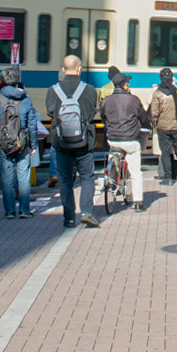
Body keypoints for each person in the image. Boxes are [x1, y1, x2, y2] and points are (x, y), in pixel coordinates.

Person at [46, 55, 100, 228]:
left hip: (62, 143)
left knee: (66, 180)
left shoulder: (53, 90)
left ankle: (69, 217)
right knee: (87, 178)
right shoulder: (90, 89)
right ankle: (87, 212)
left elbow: (51, 114)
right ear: (79, 69)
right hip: (84, 142)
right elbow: (92, 114)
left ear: (63, 69)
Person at [0, 67, 40, 218]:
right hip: (23, 143)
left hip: (4, 144)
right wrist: (33, 145)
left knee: (7, 179)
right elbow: (32, 126)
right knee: (24, 178)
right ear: (17, 82)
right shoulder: (26, 100)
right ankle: (24, 210)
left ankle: (9, 211)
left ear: (1, 81)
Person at [100, 73, 151, 210]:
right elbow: (144, 118)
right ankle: (138, 202)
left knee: (113, 152)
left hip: (113, 140)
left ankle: (111, 179)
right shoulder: (133, 100)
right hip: (130, 140)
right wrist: (146, 127)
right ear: (125, 85)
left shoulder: (105, 100)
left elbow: (103, 118)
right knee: (135, 172)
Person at [150, 68, 177, 186]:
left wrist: (155, 124)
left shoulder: (157, 93)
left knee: (165, 153)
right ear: (171, 78)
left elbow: (154, 113)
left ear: (160, 78)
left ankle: (168, 178)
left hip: (163, 128)